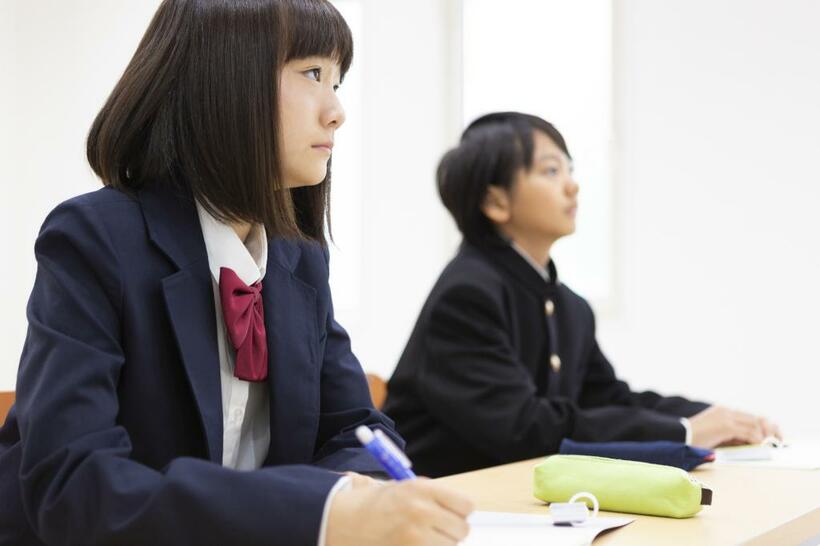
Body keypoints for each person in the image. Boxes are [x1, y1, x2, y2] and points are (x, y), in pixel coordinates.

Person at [0, 1, 472, 544]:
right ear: (225, 79)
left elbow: (359, 431)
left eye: (338, 83)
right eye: (313, 74)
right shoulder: (95, 237)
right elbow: (73, 485)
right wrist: (317, 512)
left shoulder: (300, 258)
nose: (337, 110)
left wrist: (332, 503)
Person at [382, 111, 781, 478]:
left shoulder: (570, 306)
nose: (573, 185)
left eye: (569, 170)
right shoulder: (467, 293)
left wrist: (715, 419)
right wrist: (685, 430)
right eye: (551, 171)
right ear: (495, 201)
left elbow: (606, 398)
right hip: (451, 509)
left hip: (529, 503)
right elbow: (524, 428)